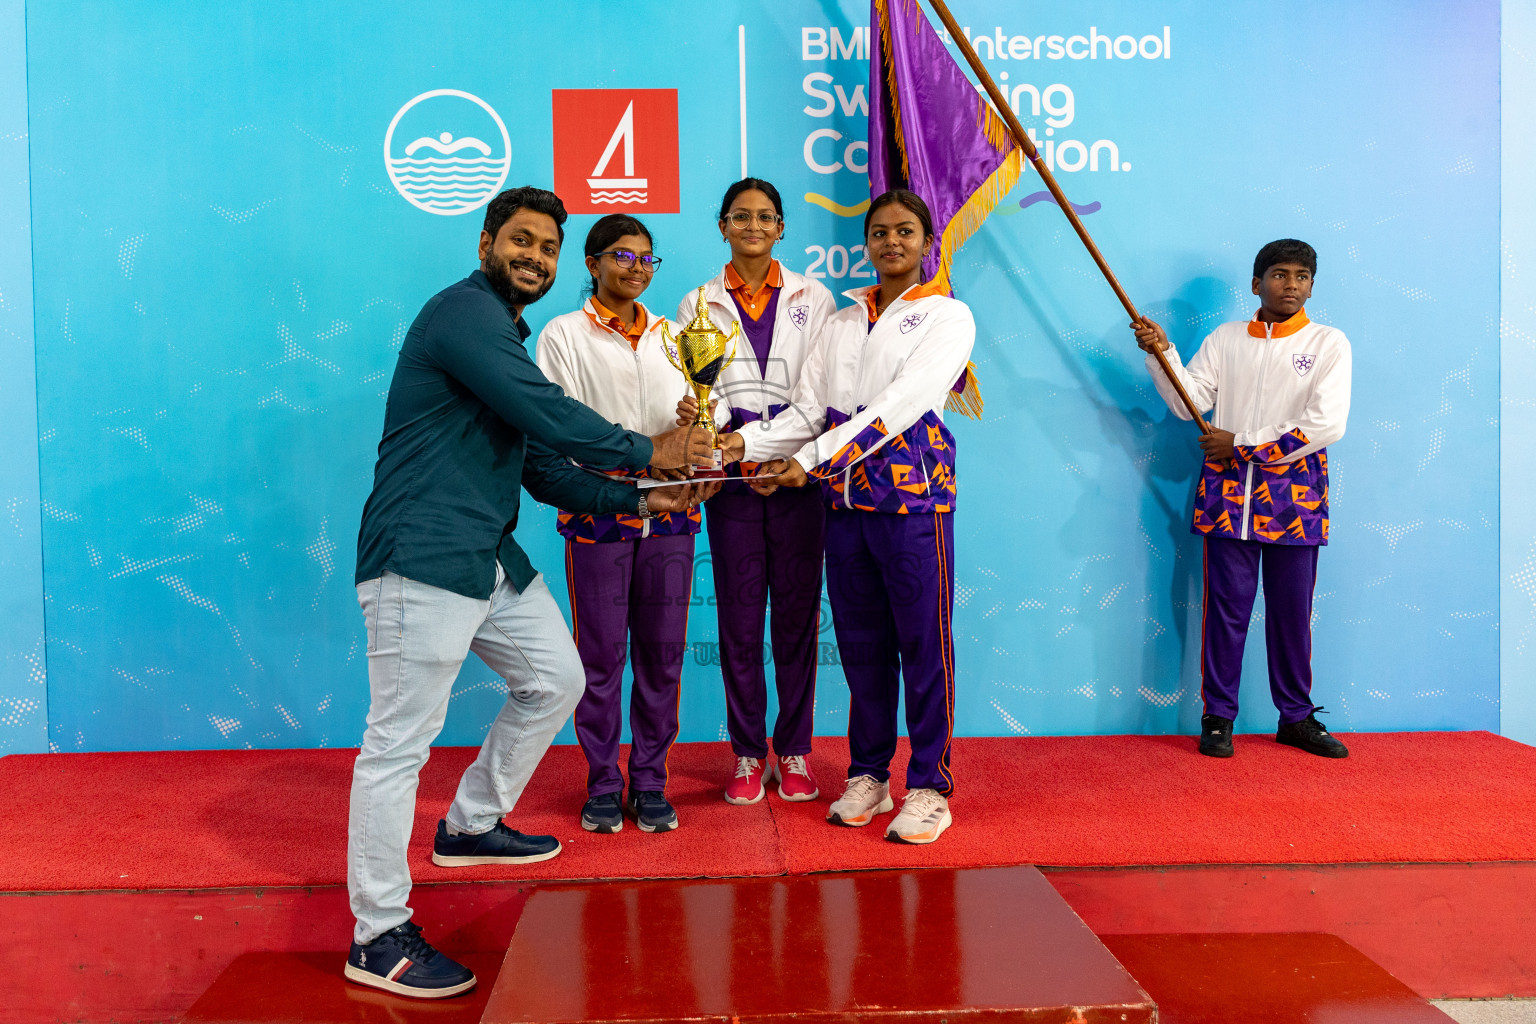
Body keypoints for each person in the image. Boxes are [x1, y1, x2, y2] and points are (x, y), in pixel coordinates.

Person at [346, 187, 711, 999]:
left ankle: (471, 823)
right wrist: (650, 450)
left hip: (487, 554)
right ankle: (376, 935)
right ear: (485, 244)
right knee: (397, 745)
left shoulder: (501, 336)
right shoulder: (464, 316)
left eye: (547, 246)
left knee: (557, 678)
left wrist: (638, 498)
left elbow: (540, 465)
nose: (535, 257)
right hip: (420, 554)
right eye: (521, 241)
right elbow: (549, 415)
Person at [716, 189, 973, 845]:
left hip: (913, 507)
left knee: (923, 649)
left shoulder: (947, 316)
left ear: (925, 243)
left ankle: (929, 786)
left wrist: (815, 460)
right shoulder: (842, 320)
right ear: (867, 243)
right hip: (847, 511)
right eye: (880, 232)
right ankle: (868, 774)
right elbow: (808, 410)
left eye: (905, 232)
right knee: (862, 651)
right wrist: (744, 447)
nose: (892, 242)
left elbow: (899, 407)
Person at [1133, 238, 1351, 760]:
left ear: (1312, 286)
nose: (1291, 285)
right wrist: (1162, 354)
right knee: (1225, 611)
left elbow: (1327, 423)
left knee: (1291, 613)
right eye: (1279, 274)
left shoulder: (1328, 343)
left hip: (1294, 502)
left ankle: (1295, 718)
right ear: (1257, 283)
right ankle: (1217, 717)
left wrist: (1244, 445)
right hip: (1228, 500)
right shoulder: (1227, 339)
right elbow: (1192, 404)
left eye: (1302, 276)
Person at [535, 213, 710, 835]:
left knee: (662, 657)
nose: (635, 268)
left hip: (670, 518)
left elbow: (686, 428)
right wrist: (646, 447)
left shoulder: (675, 336)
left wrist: (694, 425)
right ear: (592, 263)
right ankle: (605, 782)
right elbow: (559, 429)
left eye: (645, 259)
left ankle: (651, 781)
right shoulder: (563, 336)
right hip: (600, 514)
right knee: (601, 658)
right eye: (621, 256)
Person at [674, 178, 838, 806]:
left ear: (781, 228)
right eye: (739, 216)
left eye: (765, 216)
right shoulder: (697, 303)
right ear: (722, 226)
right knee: (741, 624)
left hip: (797, 479)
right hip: (732, 487)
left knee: (796, 623)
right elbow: (702, 395)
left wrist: (768, 450)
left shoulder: (813, 299)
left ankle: (793, 752)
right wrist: (726, 448)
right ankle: (747, 755)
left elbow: (816, 400)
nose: (752, 226)